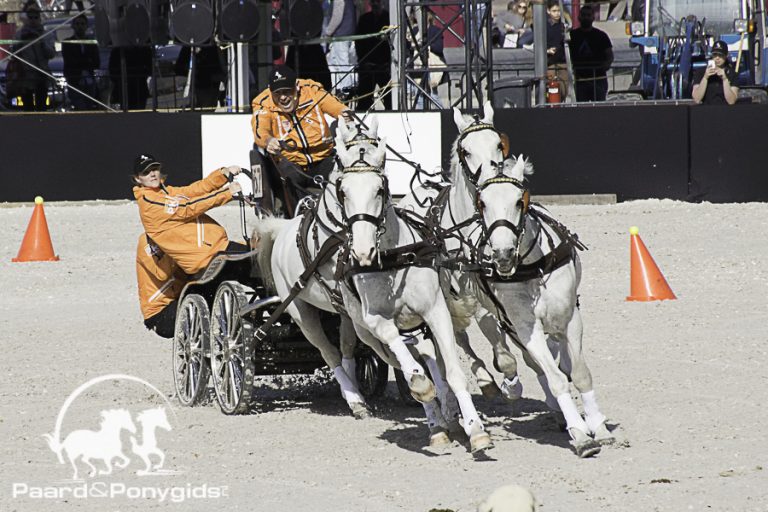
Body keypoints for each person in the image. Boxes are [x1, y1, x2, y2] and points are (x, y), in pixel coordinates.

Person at [250, 65, 353, 216]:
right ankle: (300, 217)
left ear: (296, 87)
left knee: (343, 174)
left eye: (287, 91)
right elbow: (260, 130)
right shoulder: (263, 102)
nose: (283, 97)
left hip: (323, 158)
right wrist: (268, 140)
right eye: (277, 93)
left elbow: (334, 106)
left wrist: (343, 113)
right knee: (289, 176)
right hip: (292, 163)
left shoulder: (312, 91)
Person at [132, 153, 245, 277]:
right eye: (146, 172)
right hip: (206, 257)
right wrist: (227, 193)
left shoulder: (166, 192)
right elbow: (187, 208)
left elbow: (195, 190)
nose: (152, 174)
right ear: (138, 179)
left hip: (215, 248)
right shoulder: (150, 202)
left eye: (154, 169)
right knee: (258, 261)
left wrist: (223, 175)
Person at [136, 233, 186, 338]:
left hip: (177, 298)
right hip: (159, 313)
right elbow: (161, 273)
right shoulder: (147, 242)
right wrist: (177, 247)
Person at [9, 5, 55, 111]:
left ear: (39, 18)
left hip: (41, 74)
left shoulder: (46, 34)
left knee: (42, 106)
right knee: (27, 107)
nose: (33, 20)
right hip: (26, 76)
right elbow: (13, 54)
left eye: (35, 17)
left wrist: (41, 41)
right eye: (30, 17)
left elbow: (51, 54)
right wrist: (22, 41)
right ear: (27, 19)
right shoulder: (19, 34)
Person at [569, 5, 613, 102]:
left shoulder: (601, 35)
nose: (586, 17)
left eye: (588, 15)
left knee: (599, 107)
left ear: (593, 17)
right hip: (580, 79)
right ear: (579, 17)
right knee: (581, 108)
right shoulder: (572, 35)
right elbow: (564, 53)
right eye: (583, 15)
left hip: (598, 78)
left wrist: (606, 64)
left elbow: (609, 54)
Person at [354, 0, 391, 111]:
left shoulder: (388, 18)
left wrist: (388, 63)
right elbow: (359, 43)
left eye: (377, 2)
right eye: (373, 2)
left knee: (390, 98)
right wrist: (363, 61)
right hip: (367, 65)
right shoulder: (364, 19)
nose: (375, 4)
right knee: (364, 99)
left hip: (384, 66)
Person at [62, 14, 100, 111]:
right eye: (77, 24)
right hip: (75, 80)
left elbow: (96, 62)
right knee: (81, 107)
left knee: (89, 106)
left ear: (86, 26)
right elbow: (70, 61)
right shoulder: (67, 43)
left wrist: (81, 61)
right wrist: (86, 60)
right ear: (73, 26)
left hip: (89, 81)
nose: (80, 26)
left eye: (82, 24)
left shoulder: (91, 43)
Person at [324, 0, 358, 94]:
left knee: (342, 64)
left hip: (340, 36)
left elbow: (337, 18)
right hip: (349, 34)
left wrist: (328, 32)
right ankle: (343, 88)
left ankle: (345, 89)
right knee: (342, 63)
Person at [692, 40, 739, 105]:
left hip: (725, 111)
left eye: (720, 55)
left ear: (726, 55)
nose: (717, 58)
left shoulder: (732, 74)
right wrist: (705, 78)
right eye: (715, 55)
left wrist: (725, 80)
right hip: (706, 110)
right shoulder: (701, 72)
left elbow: (731, 101)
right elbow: (697, 99)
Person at [545, 0, 568, 99]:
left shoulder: (563, 26)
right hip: (550, 62)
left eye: (559, 11)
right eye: (554, 11)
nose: (557, 13)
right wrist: (547, 50)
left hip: (562, 61)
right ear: (548, 11)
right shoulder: (545, 26)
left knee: (564, 89)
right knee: (552, 89)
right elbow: (537, 45)